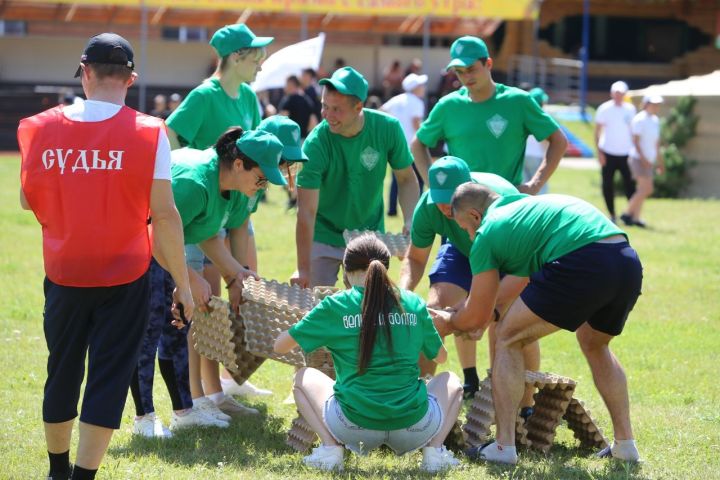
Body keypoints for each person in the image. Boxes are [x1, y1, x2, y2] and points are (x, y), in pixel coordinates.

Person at [17, 32, 194, 480]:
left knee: (62, 372)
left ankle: (58, 473)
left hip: (64, 273)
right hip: (125, 276)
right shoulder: (151, 133)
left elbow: (26, 199)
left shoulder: (38, 127)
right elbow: (166, 217)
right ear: (130, 79)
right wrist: (183, 284)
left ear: (85, 73)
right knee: (108, 378)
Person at [435, 183, 642, 465]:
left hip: (583, 258)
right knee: (594, 343)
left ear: (474, 216)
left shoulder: (487, 232)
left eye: (465, 228)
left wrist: (448, 320)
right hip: (625, 259)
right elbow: (500, 296)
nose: (469, 236)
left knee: (507, 337)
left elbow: (477, 315)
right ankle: (625, 444)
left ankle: (503, 447)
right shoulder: (525, 212)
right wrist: (473, 312)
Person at [275, 234, 463, 472]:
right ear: (386, 268)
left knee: (302, 377)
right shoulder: (413, 303)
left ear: (346, 269)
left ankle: (331, 449)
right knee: (452, 381)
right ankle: (434, 453)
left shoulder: (334, 306)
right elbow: (441, 357)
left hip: (351, 426)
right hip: (414, 427)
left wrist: (310, 321)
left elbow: (279, 346)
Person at [166, 23, 274, 401]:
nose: (262, 62)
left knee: (242, 286)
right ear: (236, 56)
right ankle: (206, 392)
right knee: (205, 304)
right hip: (203, 208)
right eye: (256, 54)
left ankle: (229, 379)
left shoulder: (249, 98)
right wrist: (188, 166)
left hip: (236, 209)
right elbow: (171, 134)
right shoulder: (204, 95)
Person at [400, 156, 538, 407]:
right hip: (462, 249)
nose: (442, 207)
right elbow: (415, 258)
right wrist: (402, 292)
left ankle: (523, 404)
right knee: (435, 311)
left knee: (510, 323)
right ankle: (417, 400)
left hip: (511, 254)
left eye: (448, 199)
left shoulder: (502, 202)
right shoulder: (428, 206)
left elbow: (524, 270)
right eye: (437, 198)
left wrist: (483, 311)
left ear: (467, 190)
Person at [172, 128, 288, 420]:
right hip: (139, 236)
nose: (263, 187)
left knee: (198, 311)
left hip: (168, 237)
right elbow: (154, 235)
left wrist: (237, 276)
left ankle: (200, 401)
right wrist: (188, 278)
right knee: (162, 329)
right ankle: (179, 410)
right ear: (239, 164)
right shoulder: (194, 183)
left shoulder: (239, 190)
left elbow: (206, 233)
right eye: (261, 178)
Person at [292, 66, 420, 288]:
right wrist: (303, 269)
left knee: (366, 312)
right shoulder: (315, 144)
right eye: (324, 106)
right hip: (324, 234)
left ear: (359, 107)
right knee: (314, 310)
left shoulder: (387, 129)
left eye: (336, 109)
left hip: (368, 235)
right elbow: (306, 211)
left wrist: (409, 219)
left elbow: (407, 179)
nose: (327, 115)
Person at [411, 36, 567, 193]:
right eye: (459, 72)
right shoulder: (447, 106)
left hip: (507, 205)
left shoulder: (519, 101)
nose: (466, 77)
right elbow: (417, 144)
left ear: (489, 64)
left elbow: (558, 141)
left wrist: (535, 185)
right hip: (462, 207)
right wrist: (435, 186)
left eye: (471, 69)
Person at [381, 73, 428, 216]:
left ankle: (392, 209)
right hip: (412, 147)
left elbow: (381, 111)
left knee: (396, 178)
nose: (423, 88)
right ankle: (416, 209)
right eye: (421, 85)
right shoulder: (417, 102)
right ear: (415, 88)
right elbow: (416, 123)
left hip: (395, 146)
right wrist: (425, 140)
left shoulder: (396, 99)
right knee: (417, 178)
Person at [595, 80, 637, 222]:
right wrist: (599, 152)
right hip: (608, 152)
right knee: (608, 184)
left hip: (626, 153)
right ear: (612, 93)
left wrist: (634, 151)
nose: (618, 95)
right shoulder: (604, 109)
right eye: (616, 93)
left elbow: (633, 131)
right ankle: (612, 214)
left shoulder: (630, 109)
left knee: (629, 184)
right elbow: (597, 131)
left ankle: (631, 213)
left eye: (621, 93)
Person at [621, 95, 665, 228]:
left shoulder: (655, 120)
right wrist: (643, 159)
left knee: (643, 189)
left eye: (658, 104)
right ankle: (627, 213)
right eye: (653, 104)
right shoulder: (640, 119)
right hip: (638, 159)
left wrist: (660, 162)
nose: (656, 106)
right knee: (647, 188)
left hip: (648, 160)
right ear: (646, 104)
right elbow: (636, 141)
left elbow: (656, 144)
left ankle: (635, 218)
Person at [523, 87, 551, 194]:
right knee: (539, 187)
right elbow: (546, 139)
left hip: (523, 155)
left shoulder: (524, 113)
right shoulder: (543, 116)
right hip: (537, 155)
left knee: (524, 186)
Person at [278, 75, 318, 139]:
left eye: (286, 84)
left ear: (291, 84)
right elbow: (313, 122)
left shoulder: (287, 101)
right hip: (304, 139)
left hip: (290, 139)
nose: (284, 88)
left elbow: (282, 121)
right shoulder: (307, 100)